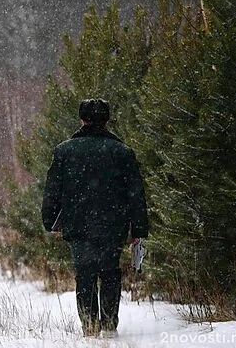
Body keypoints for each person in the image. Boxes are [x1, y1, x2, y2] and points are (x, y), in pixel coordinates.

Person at [41, 98, 149, 338]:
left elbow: (52, 190)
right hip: (113, 223)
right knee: (110, 272)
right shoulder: (122, 152)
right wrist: (139, 228)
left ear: (82, 120)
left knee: (85, 274)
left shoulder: (64, 151)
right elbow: (136, 193)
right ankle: (109, 326)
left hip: (78, 223)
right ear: (107, 120)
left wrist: (50, 221)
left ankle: (89, 327)